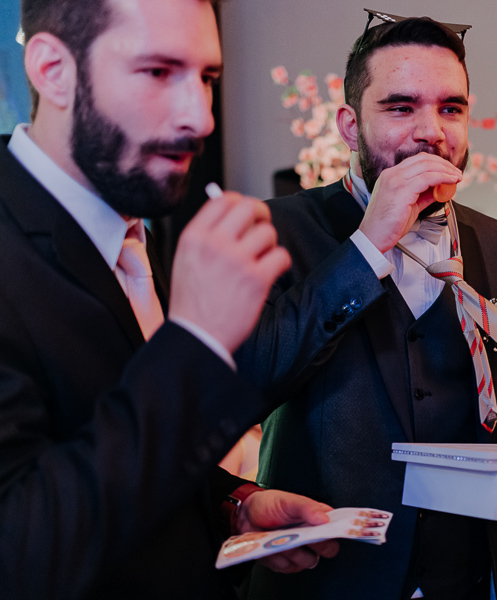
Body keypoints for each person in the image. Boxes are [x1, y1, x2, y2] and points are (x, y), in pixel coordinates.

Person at [1, 0, 340, 597]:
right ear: (52, 69)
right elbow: (22, 549)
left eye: (206, 78)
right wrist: (198, 342)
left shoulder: (132, 232)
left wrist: (230, 504)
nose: (201, 117)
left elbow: (107, 442)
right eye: (158, 72)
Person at [237, 15, 497, 600]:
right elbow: (251, 382)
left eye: (451, 108)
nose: (431, 131)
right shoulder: (271, 230)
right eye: (401, 108)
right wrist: (367, 247)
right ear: (350, 125)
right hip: (324, 581)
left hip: (470, 579)